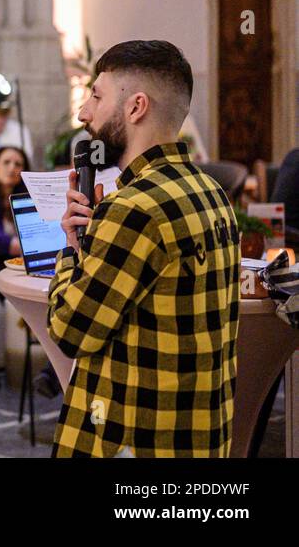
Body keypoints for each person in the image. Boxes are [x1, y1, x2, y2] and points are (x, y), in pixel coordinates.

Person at [50, 39, 239, 458]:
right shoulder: (214, 193)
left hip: (131, 439)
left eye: (96, 97)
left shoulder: (132, 209)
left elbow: (69, 329)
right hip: (198, 438)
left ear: (136, 108)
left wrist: (70, 247)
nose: (83, 113)